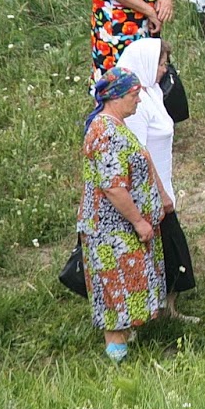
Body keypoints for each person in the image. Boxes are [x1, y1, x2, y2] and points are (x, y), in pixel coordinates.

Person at [77, 68, 166, 362]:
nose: (138, 100)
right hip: (111, 232)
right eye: (134, 95)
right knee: (116, 294)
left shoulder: (114, 126)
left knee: (128, 289)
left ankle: (125, 349)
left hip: (120, 229)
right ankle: (118, 361)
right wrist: (138, 221)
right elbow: (114, 187)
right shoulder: (106, 132)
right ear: (116, 97)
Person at [118, 38, 198, 323]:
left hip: (163, 183)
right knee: (159, 250)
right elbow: (139, 154)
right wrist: (160, 193)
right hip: (148, 190)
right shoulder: (134, 106)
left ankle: (167, 310)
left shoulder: (150, 93)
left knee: (172, 252)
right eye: (161, 63)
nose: (165, 69)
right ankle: (142, 316)